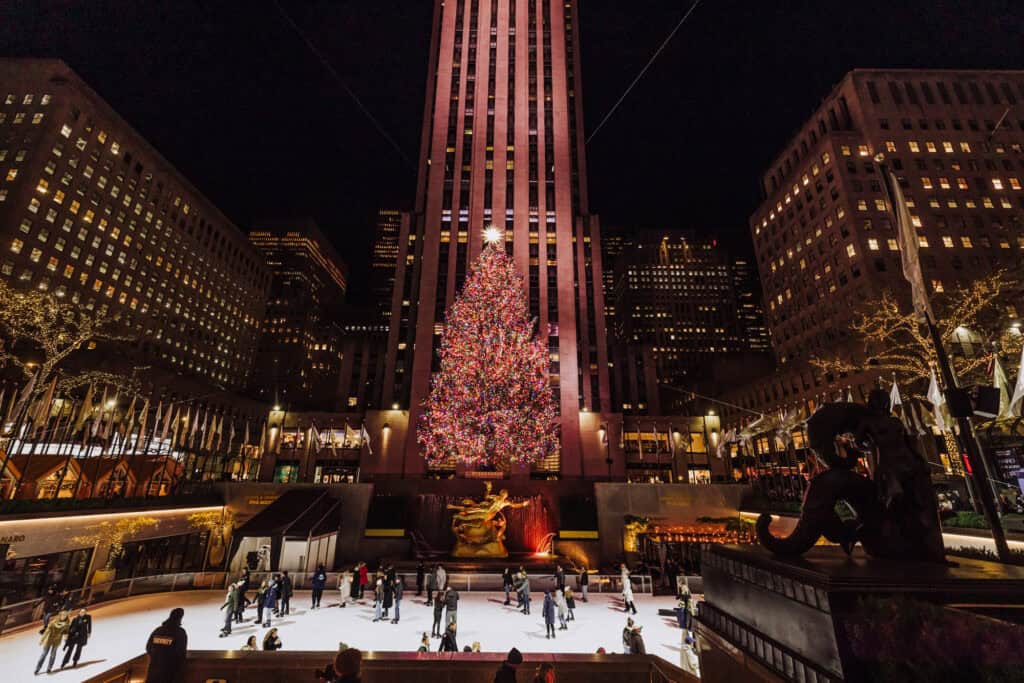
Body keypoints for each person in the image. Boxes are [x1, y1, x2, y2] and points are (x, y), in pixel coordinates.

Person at [145, 608, 187, 683]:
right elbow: (180, 653)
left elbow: (148, 647)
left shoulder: (158, 630)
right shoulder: (180, 632)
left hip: (154, 671)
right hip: (168, 673)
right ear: (180, 618)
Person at [35, 609, 70, 675]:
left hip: (57, 641)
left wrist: (66, 639)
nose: (63, 616)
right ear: (59, 615)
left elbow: (66, 633)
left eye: (65, 615)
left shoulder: (66, 624)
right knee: (44, 654)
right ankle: (37, 668)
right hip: (49, 640)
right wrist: (42, 640)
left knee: (53, 655)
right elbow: (47, 631)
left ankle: (49, 668)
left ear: (66, 616)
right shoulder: (53, 622)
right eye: (62, 615)